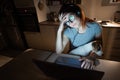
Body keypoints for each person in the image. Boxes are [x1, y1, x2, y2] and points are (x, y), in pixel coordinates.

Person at [56, 4, 103, 69]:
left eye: (71, 18)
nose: (70, 23)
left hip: (90, 59)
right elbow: (58, 51)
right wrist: (59, 31)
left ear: (78, 13)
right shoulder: (68, 31)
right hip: (75, 59)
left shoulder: (95, 27)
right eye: (66, 22)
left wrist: (91, 57)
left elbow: (99, 45)